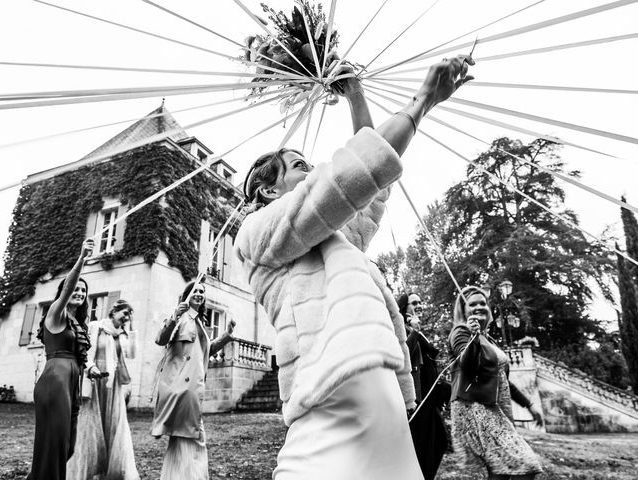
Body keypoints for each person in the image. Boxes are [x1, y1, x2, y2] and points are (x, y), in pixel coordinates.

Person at [235, 55, 474, 480]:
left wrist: (356, 96)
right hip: (328, 390)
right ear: (268, 190)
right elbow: (344, 179)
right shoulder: (256, 234)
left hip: (379, 387)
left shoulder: (334, 235)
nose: (312, 171)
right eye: (299, 167)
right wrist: (421, 102)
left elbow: (368, 183)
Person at [448, 285, 543, 480]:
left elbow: (503, 381)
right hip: (477, 407)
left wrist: (529, 404)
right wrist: (473, 337)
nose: (479, 307)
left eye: (483, 303)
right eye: (472, 304)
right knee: (525, 464)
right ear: (463, 310)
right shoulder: (460, 332)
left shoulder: (488, 338)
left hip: (497, 407)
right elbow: (467, 364)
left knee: (500, 469)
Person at [151, 281, 236, 480]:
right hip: (182, 388)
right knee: (195, 437)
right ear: (187, 295)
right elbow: (160, 339)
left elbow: (205, 353)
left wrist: (227, 336)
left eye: (202, 292)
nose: (199, 294)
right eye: (195, 291)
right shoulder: (180, 319)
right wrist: (175, 315)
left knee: (181, 438)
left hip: (192, 388)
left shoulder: (198, 322)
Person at [28, 238, 94, 480]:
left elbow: (81, 357)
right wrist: (82, 259)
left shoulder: (78, 324)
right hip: (55, 382)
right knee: (54, 446)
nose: (79, 292)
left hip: (72, 384)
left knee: (67, 447)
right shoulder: (56, 313)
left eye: (83, 291)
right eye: (76, 288)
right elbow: (67, 289)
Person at [66, 299, 139, 480]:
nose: (126, 317)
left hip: (112, 385)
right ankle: (85, 470)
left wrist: (131, 328)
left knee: (112, 424)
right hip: (94, 380)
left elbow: (131, 354)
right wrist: (91, 367)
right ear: (114, 311)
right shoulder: (96, 327)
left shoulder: (122, 334)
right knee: (90, 424)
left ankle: (109, 471)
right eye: (124, 313)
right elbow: (84, 351)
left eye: (129, 315)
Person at [397, 292, 449, 480]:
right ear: (404, 307)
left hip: (429, 398)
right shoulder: (401, 328)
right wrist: (415, 332)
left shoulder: (416, 330)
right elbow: (402, 357)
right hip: (417, 400)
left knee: (440, 442)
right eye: (414, 303)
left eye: (420, 302)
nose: (419, 305)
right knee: (423, 448)